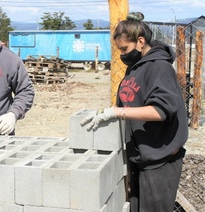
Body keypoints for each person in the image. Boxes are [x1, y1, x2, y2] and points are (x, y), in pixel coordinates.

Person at [80, 12, 188, 211]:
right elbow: (131, 102)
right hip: (142, 156)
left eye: (124, 49)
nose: (122, 55)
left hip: (160, 160)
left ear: (140, 41)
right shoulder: (135, 68)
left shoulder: (160, 68)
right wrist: (107, 112)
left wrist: (117, 112)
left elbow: (159, 111)